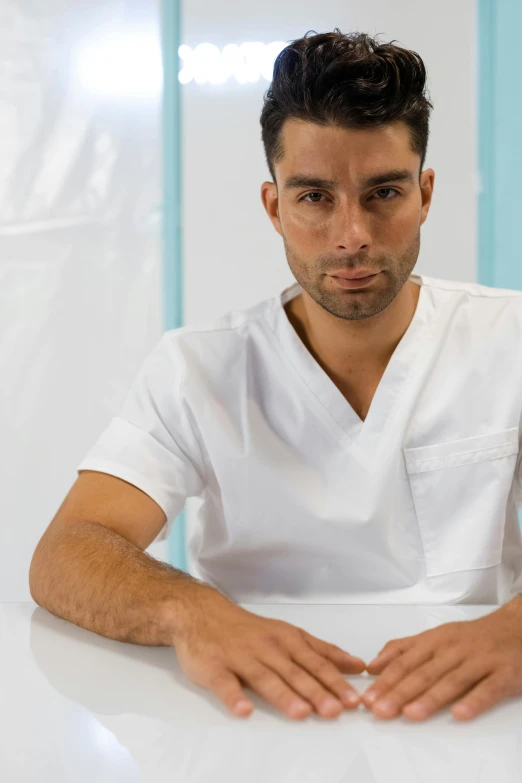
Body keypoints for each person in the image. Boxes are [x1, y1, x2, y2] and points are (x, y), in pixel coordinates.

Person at [29, 29, 522, 726]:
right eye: (315, 197)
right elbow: (66, 553)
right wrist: (192, 613)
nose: (351, 234)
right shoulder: (200, 366)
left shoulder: (511, 340)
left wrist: (516, 630)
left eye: (382, 191)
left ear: (425, 194)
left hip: (478, 711)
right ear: (274, 207)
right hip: (256, 711)